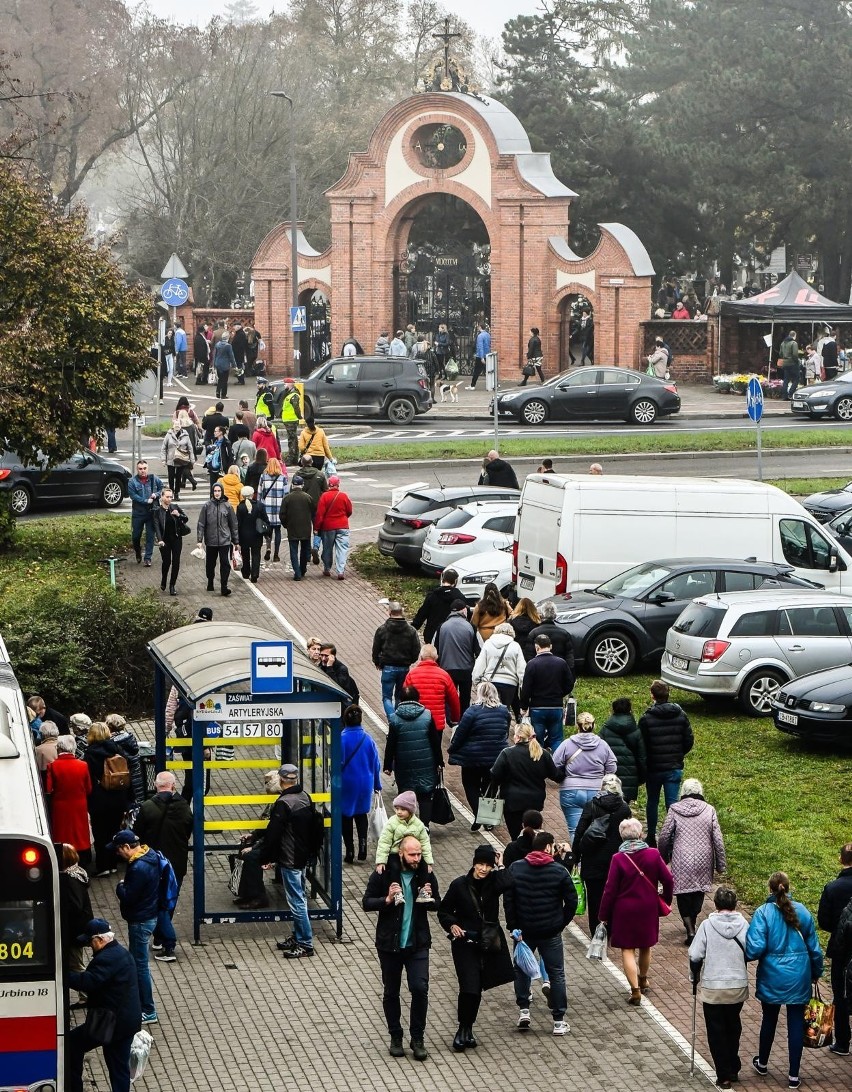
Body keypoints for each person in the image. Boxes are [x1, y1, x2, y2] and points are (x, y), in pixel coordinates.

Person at [362, 835, 441, 1061]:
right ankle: (395, 1035)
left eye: (419, 854)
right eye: (412, 854)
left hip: (417, 944)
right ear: (401, 853)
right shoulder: (384, 873)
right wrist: (386, 900)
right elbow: (367, 902)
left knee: (419, 988)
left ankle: (417, 1038)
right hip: (390, 944)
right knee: (391, 991)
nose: (417, 859)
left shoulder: (425, 874)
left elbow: (438, 903)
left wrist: (428, 899)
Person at [746, 872, 824, 1089]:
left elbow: (754, 948)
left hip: (772, 976)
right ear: (788, 888)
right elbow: (815, 950)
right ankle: (793, 1075)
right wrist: (816, 973)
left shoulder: (763, 913)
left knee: (769, 1020)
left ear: (770, 889)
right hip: (799, 977)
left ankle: (762, 1062)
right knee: (796, 1023)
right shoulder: (804, 912)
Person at [438, 844, 514, 1051]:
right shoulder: (459, 885)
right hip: (464, 944)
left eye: (488, 865)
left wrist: (500, 864)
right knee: (469, 986)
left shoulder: (494, 883)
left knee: (478, 987)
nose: (483, 869)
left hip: (486, 943)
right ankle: (462, 1029)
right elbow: (444, 911)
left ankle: (468, 1029)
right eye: (480, 864)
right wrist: (452, 924)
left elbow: (509, 882)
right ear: (473, 864)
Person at [504, 830, 577, 1036]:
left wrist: (513, 926)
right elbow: (572, 901)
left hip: (523, 932)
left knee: (521, 969)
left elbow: (508, 900)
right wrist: (560, 923)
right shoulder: (559, 871)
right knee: (556, 973)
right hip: (550, 932)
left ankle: (524, 1011)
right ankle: (558, 1021)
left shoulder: (516, 868)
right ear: (548, 848)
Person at [598, 816, 674, 1005]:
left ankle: (634, 990)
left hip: (624, 911)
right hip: (647, 908)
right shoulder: (653, 854)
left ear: (622, 837)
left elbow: (610, 889)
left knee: (627, 949)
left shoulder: (618, 859)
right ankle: (643, 978)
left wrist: (603, 915)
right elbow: (669, 879)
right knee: (645, 945)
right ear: (640, 834)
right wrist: (665, 899)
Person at [66, 918, 141, 1092]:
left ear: (99, 940)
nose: (89, 947)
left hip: (112, 1023)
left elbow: (89, 981)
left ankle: (74, 1086)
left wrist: (63, 975)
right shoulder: (120, 952)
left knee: (72, 1044)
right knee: (119, 1067)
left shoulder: (107, 958)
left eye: (90, 942)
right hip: (125, 1021)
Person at [688, 887, 750, 1090]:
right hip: (737, 986)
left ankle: (723, 1075)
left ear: (715, 904)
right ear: (735, 904)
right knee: (733, 1026)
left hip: (713, 987)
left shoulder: (707, 925)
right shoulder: (744, 924)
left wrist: (693, 977)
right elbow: (750, 950)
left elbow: (695, 954)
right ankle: (733, 1066)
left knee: (716, 1031)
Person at [658, 777, 727, 945]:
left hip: (682, 858)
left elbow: (665, 836)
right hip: (704, 858)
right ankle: (693, 921)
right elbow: (718, 838)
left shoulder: (675, 809)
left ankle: (689, 929)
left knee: (683, 894)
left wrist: (663, 857)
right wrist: (721, 864)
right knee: (698, 891)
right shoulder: (709, 810)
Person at [134, 770, 193, 963]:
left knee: (158, 903)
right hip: (177, 862)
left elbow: (138, 834)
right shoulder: (184, 806)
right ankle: (160, 937)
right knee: (169, 900)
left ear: (155, 785)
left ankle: (167, 943)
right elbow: (188, 829)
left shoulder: (147, 807)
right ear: (173, 786)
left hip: (154, 862)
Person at [260, 764, 316, 958]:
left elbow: (273, 834)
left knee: (296, 901)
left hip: (289, 857)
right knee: (299, 897)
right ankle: (298, 935)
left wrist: (267, 857)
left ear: (281, 780)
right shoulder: (305, 797)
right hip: (302, 856)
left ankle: (305, 943)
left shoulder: (283, 803)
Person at [111, 829, 161, 1023]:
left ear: (126, 847)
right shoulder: (150, 855)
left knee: (140, 966)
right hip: (149, 915)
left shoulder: (139, 867)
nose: (117, 854)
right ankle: (141, 1005)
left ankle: (148, 1010)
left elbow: (129, 896)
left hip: (140, 920)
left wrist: (120, 887)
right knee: (139, 964)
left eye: (118, 850)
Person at [572, 773, 632, 934]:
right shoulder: (624, 808)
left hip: (592, 859)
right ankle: (611, 928)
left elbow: (579, 832)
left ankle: (596, 930)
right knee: (614, 894)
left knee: (594, 897)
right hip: (616, 860)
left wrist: (575, 855)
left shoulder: (591, 805)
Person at [448, 680, 511, 831]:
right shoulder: (504, 711)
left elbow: (460, 734)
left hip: (472, 758)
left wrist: (453, 749)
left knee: (470, 785)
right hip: (496, 758)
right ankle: (488, 820)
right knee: (490, 788)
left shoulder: (472, 711)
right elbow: (506, 731)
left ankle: (478, 814)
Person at [638, 679, 694, 845]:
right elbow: (688, 740)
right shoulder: (680, 715)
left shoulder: (646, 718)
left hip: (654, 768)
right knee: (672, 803)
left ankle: (651, 837)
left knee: (652, 801)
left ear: (652, 695)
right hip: (673, 767)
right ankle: (673, 836)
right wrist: (678, 754)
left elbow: (642, 744)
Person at [552, 711, 617, 844]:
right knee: (597, 829)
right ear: (594, 725)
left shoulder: (567, 744)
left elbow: (554, 764)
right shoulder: (603, 745)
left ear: (578, 726)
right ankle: (590, 860)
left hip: (571, 790)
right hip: (597, 792)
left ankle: (577, 861)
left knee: (574, 830)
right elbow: (612, 768)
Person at [383, 686, 443, 828]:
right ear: (417, 698)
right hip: (426, 762)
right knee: (426, 795)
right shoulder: (427, 715)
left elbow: (391, 743)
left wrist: (387, 765)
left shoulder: (395, 719)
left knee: (405, 795)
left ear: (401, 699)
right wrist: (439, 761)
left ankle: (408, 826)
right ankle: (425, 826)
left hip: (404, 764)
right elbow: (435, 741)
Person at [490, 721, 559, 839]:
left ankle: (519, 855)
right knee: (532, 835)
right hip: (535, 801)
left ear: (517, 737)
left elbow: (495, 775)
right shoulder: (542, 754)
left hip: (512, 802)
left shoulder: (507, 753)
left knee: (516, 836)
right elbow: (555, 775)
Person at [817, 843, 852, 1057]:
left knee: (840, 993)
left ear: (841, 860)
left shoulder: (833, 888)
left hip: (842, 950)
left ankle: (843, 1042)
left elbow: (824, 921)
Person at [85, 723, 129, 875]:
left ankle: (103, 866)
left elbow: (88, 779)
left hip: (99, 799)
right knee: (114, 831)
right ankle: (113, 864)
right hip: (118, 798)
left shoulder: (90, 754)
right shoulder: (117, 749)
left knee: (100, 833)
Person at [340, 705, 381, 863]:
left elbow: (337, 763)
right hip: (365, 782)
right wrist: (377, 784)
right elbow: (375, 764)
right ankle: (363, 846)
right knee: (361, 814)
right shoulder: (368, 739)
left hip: (347, 782)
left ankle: (350, 850)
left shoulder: (341, 738)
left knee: (346, 816)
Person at [520, 634, 573, 751]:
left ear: (536, 647)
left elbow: (526, 688)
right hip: (556, 707)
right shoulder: (561, 663)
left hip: (537, 707)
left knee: (537, 740)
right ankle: (556, 764)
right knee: (557, 739)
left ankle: (539, 764)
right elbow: (569, 684)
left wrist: (524, 707)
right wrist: (559, 694)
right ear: (551, 646)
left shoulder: (532, 664)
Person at [47, 737, 93, 869]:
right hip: (79, 805)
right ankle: (83, 860)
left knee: (62, 834)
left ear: (59, 748)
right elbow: (89, 788)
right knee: (80, 833)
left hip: (60, 806)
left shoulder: (52, 766)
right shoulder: (83, 765)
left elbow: (49, 789)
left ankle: (64, 859)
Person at [372, 601, 421, 719]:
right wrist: (410, 660)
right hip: (404, 667)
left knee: (386, 697)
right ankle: (398, 718)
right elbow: (416, 649)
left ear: (389, 612)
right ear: (402, 612)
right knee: (400, 695)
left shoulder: (382, 629)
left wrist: (377, 662)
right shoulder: (411, 630)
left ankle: (392, 718)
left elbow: (376, 648)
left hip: (387, 667)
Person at [58, 844, 93, 1007]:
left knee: (76, 964)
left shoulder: (70, 879)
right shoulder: (78, 874)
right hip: (79, 928)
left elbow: (75, 905)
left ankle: (87, 995)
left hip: (74, 930)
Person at [473, 622, 526, 719]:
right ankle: (504, 732)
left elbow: (479, 664)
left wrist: (477, 681)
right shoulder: (515, 646)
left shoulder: (488, 643)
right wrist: (523, 687)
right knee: (505, 712)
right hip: (510, 684)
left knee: (489, 711)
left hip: (490, 682)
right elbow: (522, 669)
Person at [599, 697, 646, 804]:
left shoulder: (605, 730)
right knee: (624, 809)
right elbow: (642, 757)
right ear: (630, 710)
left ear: (613, 710)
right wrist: (641, 778)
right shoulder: (636, 731)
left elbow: (599, 754)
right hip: (630, 777)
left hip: (611, 776)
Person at [403, 644, 460, 732]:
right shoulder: (444, 675)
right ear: (436, 657)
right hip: (437, 724)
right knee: (436, 746)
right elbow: (454, 699)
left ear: (421, 657)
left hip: (417, 722)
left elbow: (404, 698)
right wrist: (455, 718)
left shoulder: (412, 674)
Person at [197, 481, 238, 596]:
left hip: (225, 540)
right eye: (215, 491)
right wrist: (199, 540)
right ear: (212, 492)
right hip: (211, 540)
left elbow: (233, 524)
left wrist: (236, 541)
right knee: (210, 563)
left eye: (219, 491)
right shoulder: (207, 506)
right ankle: (210, 581)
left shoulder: (228, 506)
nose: (217, 493)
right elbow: (201, 524)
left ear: (222, 492)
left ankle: (224, 586)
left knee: (225, 563)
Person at [375, 791, 434, 872]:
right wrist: (381, 861)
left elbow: (425, 843)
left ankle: (423, 884)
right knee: (394, 868)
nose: (399, 812)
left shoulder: (418, 824)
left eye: (403, 809)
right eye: (397, 808)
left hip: (412, 853)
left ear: (410, 811)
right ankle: (396, 883)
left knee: (424, 869)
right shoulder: (391, 823)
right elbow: (384, 842)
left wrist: (428, 862)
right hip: (395, 853)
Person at [437, 600, 479, 713]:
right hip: (466, 669)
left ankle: (451, 718)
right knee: (465, 697)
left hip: (447, 669)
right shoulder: (470, 627)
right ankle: (462, 719)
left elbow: (435, 649)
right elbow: (477, 650)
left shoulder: (442, 626)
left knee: (450, 696)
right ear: (464, 610)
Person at [412, 568, 467, 646]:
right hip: (451, 636)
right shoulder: (460, 597)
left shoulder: (432, 595)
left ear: (442, 579)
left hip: (431, 634)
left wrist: (413, 628)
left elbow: (422, 613)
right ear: (455, 581)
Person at [152, 486, 188, 596]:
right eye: (167, 497)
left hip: (176, 539)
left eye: (171, 497)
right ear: (162, 497)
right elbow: (157, 526)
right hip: (165, 540)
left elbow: (186, 518)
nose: (169, 499)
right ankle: (164, 580)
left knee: (176, 561)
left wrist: (179, 515)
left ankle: (172, 585)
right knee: (166, 562)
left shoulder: (175, 507)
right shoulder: (157, 511)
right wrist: (160, 540)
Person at [315, 475, 352, 579]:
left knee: (327, 548)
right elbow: (349, 511)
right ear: (338, 484)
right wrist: (343, 518)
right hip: (343, 526)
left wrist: (317, 527)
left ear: (329, 484)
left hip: (328, 527)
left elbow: (320, 514)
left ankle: (327, 568)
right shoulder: (344, 496)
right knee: (342, 549)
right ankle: (340, 571)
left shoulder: (324, 496)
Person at [128, 460, 163, 567]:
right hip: (138, 513)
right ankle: (138, 551)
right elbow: (133, 495)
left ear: (147, 468)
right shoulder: (132, 482)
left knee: (150, 536)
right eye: (140, 469)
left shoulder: (154, 479)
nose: (143, 471)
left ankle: (148, 558)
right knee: (135, 536)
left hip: (151, 512)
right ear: (137, 469)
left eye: (144, 468)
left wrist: (156, 495)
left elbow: (161, 488)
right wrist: (145, 500)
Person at [279, 475, 315, 580]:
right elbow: (313, 512)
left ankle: (297, 572)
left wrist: (286, 524)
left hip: (292, 527)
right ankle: (303, 569)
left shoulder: (287, 498)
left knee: (293, 551)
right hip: (306, 528)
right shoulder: (308, 497)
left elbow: (282, 514)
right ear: (302, 485)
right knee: (304, 550)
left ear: (292, 485)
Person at [236, 484, 269, 584]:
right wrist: (267, 533)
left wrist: (236, 538)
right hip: (257, 534)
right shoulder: (260, 506)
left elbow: (238, 523)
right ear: (252, 494)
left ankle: (246, 572)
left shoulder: (240, 507)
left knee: (245, 555)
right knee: (256, 554)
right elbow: (265, 520)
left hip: (244, 535)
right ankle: (255, 574)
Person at [258, 456, 288, 564]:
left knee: (268, 530)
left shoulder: (263, 477)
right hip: (279, 509)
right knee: (278, 531)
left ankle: (268, 547)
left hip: (267, 508)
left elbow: (260, 493)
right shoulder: (282, 478)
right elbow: (286, 495)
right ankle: (276, 554)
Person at [528, 602, 575, 668]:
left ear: (541, 615)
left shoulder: (533, 633)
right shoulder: (564, 634)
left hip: (539, 669)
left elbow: (529, 656)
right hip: (559, 670)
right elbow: (569, 657)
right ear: (555, 615)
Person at [278, 378, 303, 464]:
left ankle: (291, 458)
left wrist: (299, 417)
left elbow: (296, 408)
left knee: (291, 440)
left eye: (285, 384)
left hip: (291, 420)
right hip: (288, 420)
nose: (284, 385)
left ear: (289, 384)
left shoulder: (294, 395)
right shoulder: (289, 394)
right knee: (293, 439)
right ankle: (294, 458)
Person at [204, 425, 233, 497]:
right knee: (212, 487)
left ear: (221, 432)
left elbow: (230, 456)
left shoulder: (226, 443)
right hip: (213, 468)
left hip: (222, 469)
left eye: (215, 431)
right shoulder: (214, 441)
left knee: (221, 487)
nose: (214, 433)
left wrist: (228, 468)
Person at [212, 330, 236, 398]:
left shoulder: (217, 344)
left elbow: (215, 354)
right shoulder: (228, 346)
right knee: (225, 380)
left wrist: (213, 364)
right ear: (228, 338)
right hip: (225, 364)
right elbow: (231, 356)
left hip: (218, 363)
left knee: (220, 379)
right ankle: (223, 394)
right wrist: (234, 365)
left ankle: (217, 392)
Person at [467, 322, 490, 389]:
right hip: (487, 355)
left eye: (478, 326)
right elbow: (488, 345)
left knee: (476, 371)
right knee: (489, 370)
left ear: (480, 327)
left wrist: (481, 357)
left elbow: (480, 347)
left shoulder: (480, 336)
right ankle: (495, 384)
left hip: (480, 356)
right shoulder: (488, 335)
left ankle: (472, 385)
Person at [779, 330, 800, 400]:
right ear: (794, 335)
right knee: (797, 379)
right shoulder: (794, 343)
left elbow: (780, 354)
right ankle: (791, 393)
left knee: (786, 380)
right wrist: (797, 361)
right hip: (792, 363)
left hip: (785, 363)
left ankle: (784, 396)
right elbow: (795, 354)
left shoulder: (783, 343)